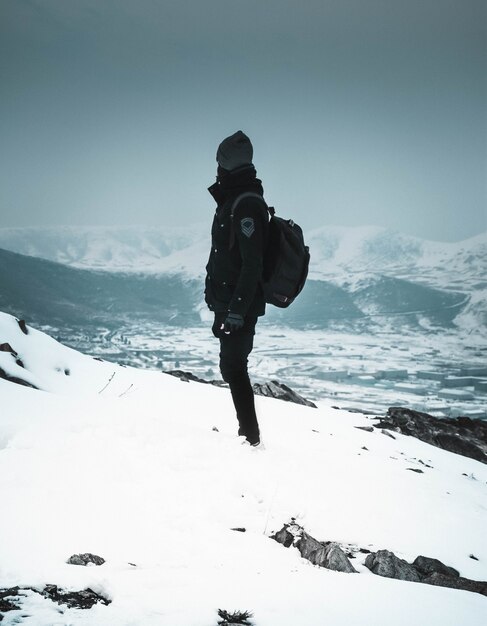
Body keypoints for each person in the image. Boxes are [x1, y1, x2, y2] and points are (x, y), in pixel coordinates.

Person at [205, 130, 269, 446]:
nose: (216, 166)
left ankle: (251, 436)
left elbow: (252, 263)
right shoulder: (232, 200)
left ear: (226, 163)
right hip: (226, 302)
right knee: (230, 366)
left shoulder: (247, 205)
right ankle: (248, 433)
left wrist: (236, 311)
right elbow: (221, 253)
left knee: (234, 366)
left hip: (237, 306)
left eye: (219, 160)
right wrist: (212, 293)